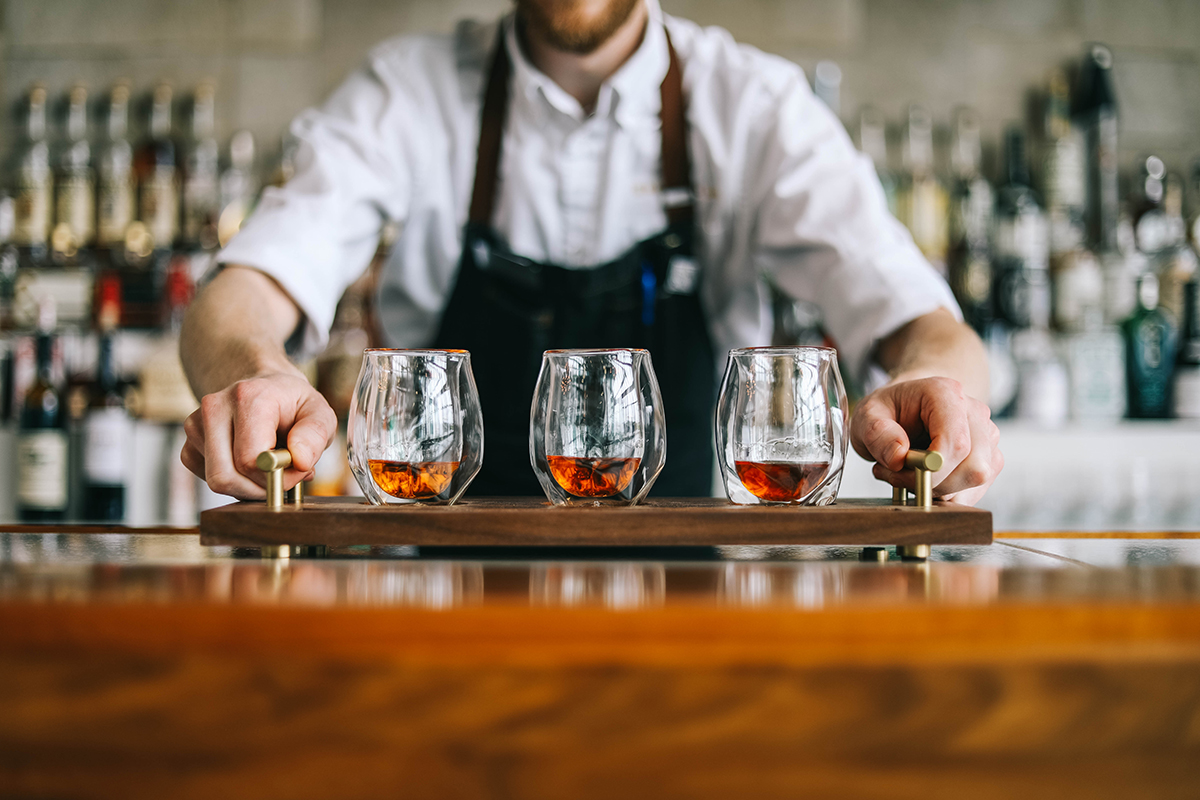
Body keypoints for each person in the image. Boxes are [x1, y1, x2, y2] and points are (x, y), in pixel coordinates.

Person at [180, 0, 1002, 504]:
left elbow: (928, 330)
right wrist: (254, 371)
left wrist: (937, 396)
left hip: (685, 598)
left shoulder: (753, 104)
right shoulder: (407, 90)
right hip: (446, 600)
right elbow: (239, 296)